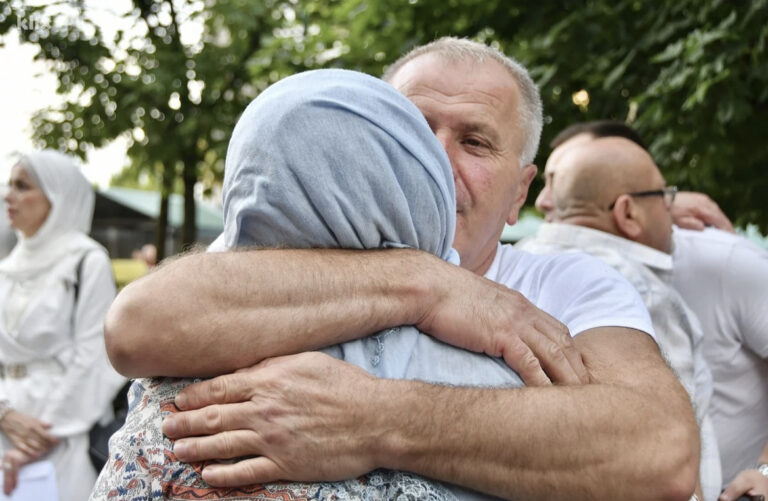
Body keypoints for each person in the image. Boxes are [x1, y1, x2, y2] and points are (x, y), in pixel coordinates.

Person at [105, 38, 699, 500]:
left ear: (522, 192)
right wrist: (425, 284)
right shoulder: (276, 256)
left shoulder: (568, 286)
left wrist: (374, 419)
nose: (437, 160)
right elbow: (137, 327)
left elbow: (660, 454)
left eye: (475, 142)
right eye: (413, 132)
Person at [532, 121, 768, 500]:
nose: (543, 199)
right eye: (665, 195)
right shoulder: (638, 291)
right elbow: (668, 458)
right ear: (628, 212)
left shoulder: (516, 268)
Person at [0, 150, 126, 500]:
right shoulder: (7, 268)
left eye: (22, 186)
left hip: (61, 438)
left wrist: (35, 439)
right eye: (9, 185)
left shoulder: (86, 261)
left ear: (59, 195)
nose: (8, 195)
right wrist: (4, 415)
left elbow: (94, 356)